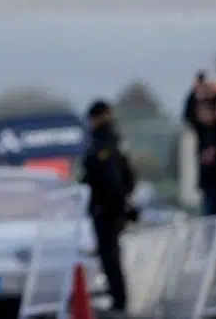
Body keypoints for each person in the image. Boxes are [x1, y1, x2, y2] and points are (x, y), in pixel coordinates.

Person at [81, 100, 137, 313]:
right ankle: (117, 299)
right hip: (111, 208)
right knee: (109, 256)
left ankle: (118, 302)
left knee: (110, 256)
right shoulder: (115, 140)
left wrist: (113, 204)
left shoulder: (103, 143)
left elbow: (111, 178)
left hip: (106, 209)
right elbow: (129, 177)